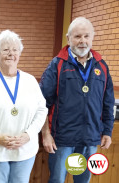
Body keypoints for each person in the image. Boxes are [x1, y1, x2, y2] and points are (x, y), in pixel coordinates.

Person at [40, 17, 115, 183]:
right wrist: (46, 134)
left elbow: (108, 102)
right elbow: (42, 103)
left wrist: (107, 131)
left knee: (82, 180)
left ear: (92, 38)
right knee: (57, 180)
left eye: (86, 36)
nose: (83, 41)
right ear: (68, 38)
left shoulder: (101, 66)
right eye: (78, 36)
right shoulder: (57, 65)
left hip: (90, 139)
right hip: (62, 139)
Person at [0, 30, 48, 183]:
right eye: (6, 49)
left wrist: (28, 135)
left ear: (20, 54)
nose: (11, 54)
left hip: (24, 150)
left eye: (15, 50)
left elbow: (41, 111)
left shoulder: (30, 81)